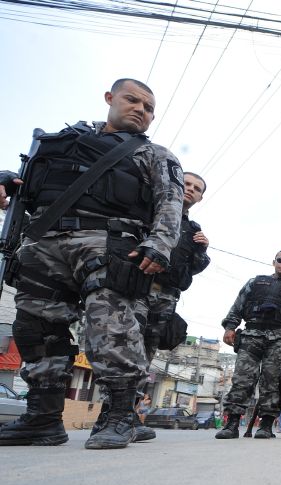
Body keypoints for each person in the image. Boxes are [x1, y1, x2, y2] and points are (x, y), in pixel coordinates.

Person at [0, 78, 183, 449]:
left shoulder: (154, 155)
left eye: (148, 108)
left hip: (110, 244)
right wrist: (6, 180)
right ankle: (43, 418)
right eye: (133, 101)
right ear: (109, 98)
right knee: (38, 330)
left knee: (112, 328)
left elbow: (170, 201)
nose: (141, 111)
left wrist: (159, 245)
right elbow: (28, 185)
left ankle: (119, 416)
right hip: (44, 244)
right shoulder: (58, 142)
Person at [128, 171, 210, 441]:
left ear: (200, 198)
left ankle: (126, 414)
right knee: (126, 347)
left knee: (146, 353)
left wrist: (202, 251)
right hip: (134, 287)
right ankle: (115, 412)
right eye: (186, 183)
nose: (190, 190)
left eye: (196, 188)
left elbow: (191, 268)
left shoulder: (193, 229)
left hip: (166, 295)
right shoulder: (148, 208)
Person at [216, 250, 281, 439]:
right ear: (274, 262)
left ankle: (266, 425)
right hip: (251, 335)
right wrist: (230, 326)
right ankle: (232, 424)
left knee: (271, 382)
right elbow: (238, 305)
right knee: (242, 379)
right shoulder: (255, 282)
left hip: (278, 339)